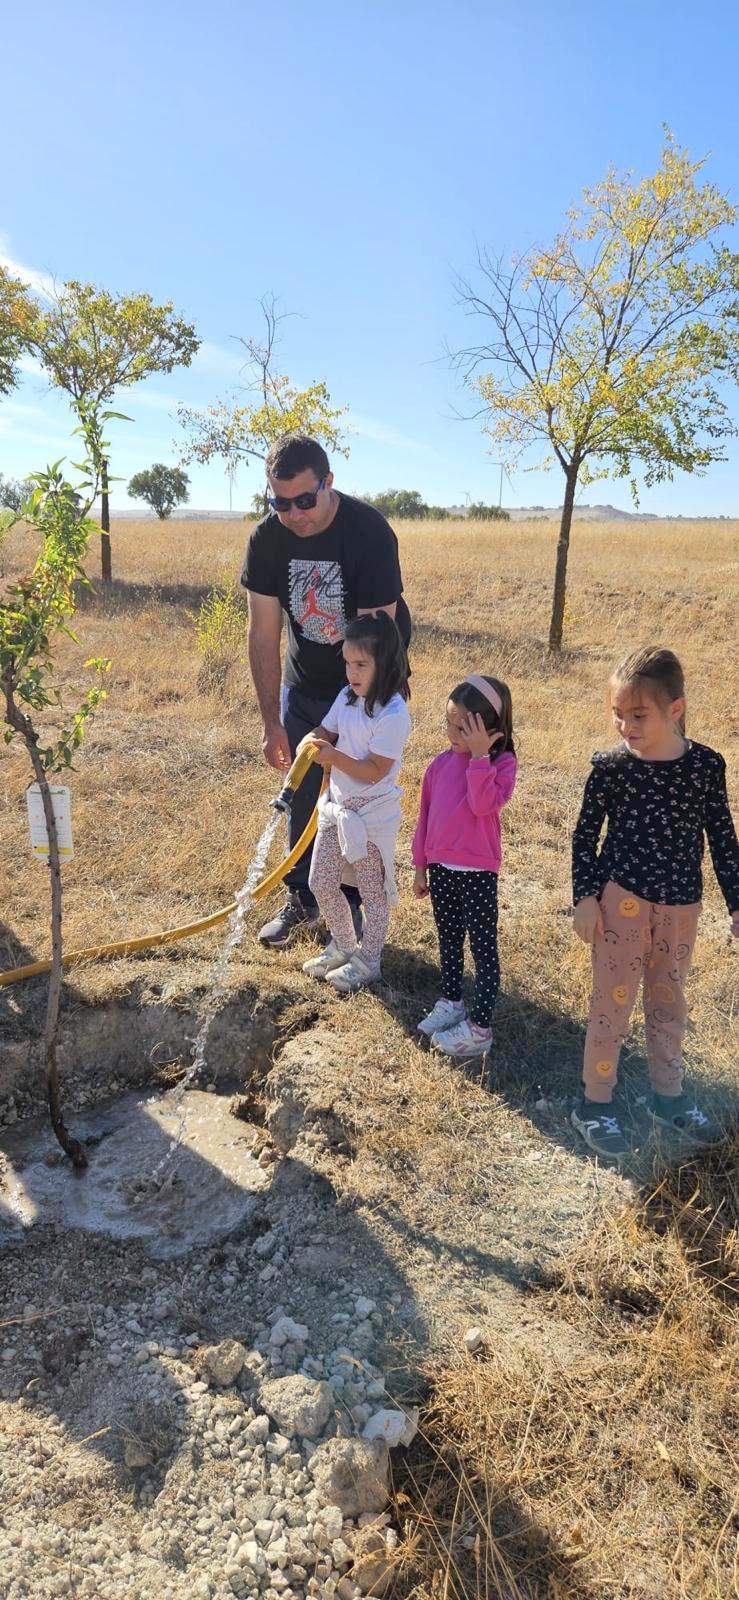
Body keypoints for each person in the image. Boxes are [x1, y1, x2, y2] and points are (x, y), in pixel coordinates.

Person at [241, 433, 412, 947]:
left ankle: (357, 908)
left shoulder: (368, 532)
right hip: (305, 684)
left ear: (328, 483)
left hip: (366, 688)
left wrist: (348, 726)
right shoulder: (267, 540)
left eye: (304, 500)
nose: (292, 513)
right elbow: (264, 633)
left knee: (356, 797)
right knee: (301, 796)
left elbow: (375, 645)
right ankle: (305, 898)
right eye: (279, 501)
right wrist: (274, 721)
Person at [571, 646, 739, 1159]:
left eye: (638, 715)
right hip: (621, 903)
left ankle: (668, 1097)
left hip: (681, 910)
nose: (626, 726)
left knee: (668, 1003)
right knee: (612, 1005)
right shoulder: (611, 768)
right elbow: (584, 836)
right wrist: (584, 897)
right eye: (618, 714)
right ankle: (594, 1104)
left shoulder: (706, 767)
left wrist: (737, 903)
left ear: (676, 708)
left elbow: (723, 838)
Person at [299, 612, 411, 992]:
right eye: (348, 663)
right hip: (339, 810)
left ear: (387, 664)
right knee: (320, 880)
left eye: (361, 665)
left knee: (372, 893)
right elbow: (326, 730)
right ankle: (345, 945)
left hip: (372, 819)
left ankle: (370, 960)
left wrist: (333, 758)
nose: (352, 673)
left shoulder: (394, 713)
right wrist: (310, 742)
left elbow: (375, 769)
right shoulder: (347, 698)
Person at [412, 674, 517, 1060]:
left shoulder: (502, 764)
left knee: (483, 949)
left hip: (478, 873)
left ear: (489, 729)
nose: (452, 732)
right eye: (448, 722)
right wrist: (420, 865)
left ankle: (480, 1028)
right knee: (449, 939)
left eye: (463, 727)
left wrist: (478, 757)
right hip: (441, 869)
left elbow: (483, 805)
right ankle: (452, 1001)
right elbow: (425, 818)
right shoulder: (438, 766)